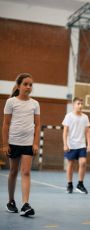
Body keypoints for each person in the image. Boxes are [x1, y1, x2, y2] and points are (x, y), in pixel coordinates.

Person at [2, 73, 40, 216]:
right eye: (25, 84)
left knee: (26, 172)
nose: (28, 87)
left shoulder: (35, 104)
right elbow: (5, 125)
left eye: (31, 85)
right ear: (18, 86)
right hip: (13, 143)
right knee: (13, 171)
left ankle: (25, 204)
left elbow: (37, 125)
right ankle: (11, 201)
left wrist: (35, 143)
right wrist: (5, 145)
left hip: (28, 144)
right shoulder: (11, 102)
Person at [62, 97, 90, 194]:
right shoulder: (68, 116)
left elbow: (87, 132)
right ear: (73, 105)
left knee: (83, 162)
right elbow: (65, 132)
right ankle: (69, 184)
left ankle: (80, 184)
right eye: (78, 103)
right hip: (71, 145)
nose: (80, 105)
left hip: (81, 145)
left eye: (81, 104)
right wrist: (65, 144)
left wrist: (89, 144)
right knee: (70, 164)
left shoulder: (85, 117)